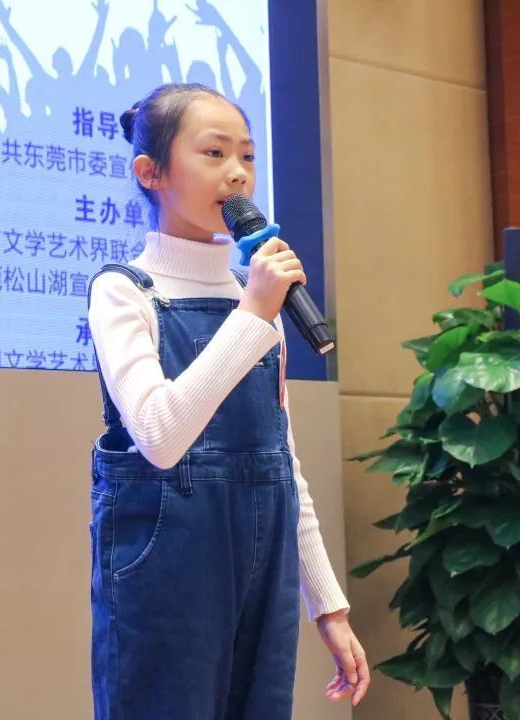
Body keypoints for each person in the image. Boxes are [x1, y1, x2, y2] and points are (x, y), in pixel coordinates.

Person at [86, 83, 369, 719]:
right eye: (214, 153)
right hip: (166, 571)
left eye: (247, 155)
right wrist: (254, 313)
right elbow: (159, 437)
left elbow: (281, 464)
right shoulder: (124, 291)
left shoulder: (256, 296)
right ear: (151, 172)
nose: (237, 173)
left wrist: (328, 606)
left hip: (263, 569)